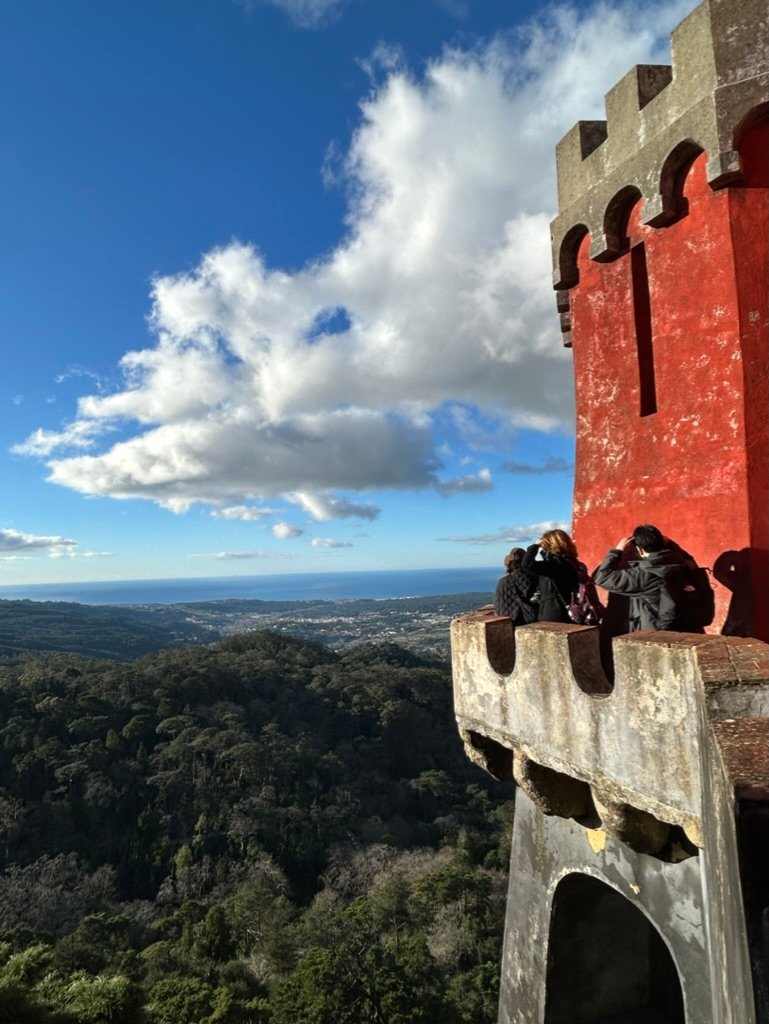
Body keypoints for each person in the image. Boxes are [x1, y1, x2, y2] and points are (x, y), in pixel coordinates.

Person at [593, 524, 700, 632]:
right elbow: (690, 560)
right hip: (689, 627)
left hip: (657, 630)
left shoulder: (643, 574)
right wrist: (671, 544)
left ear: (640, 550)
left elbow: (601, 577)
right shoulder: (680, 562)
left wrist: (617, 551)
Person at [522, 529, 580, 623]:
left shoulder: (554, 565)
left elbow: (527, 564)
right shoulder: (572, 563)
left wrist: (535, 546)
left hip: (552, 611)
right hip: (569, 609)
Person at [494, 547, 538, 624]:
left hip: (510, 622)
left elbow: (499, 606)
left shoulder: (503, 581)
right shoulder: (536, 579)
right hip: (530, 621)